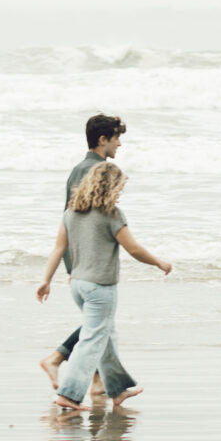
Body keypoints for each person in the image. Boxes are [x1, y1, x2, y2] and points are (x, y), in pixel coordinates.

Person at [36, 161, 172, 414]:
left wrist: (46, 280)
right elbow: (133, 248)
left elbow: (59, 248)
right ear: (109, 187)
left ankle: (118, 390)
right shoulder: (112, 214)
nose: (120, 193)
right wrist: (158, 262)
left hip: (77, 284)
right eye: (119, 188)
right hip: (100, 288)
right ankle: (69, 394)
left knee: (105, 336)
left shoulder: (71, 213)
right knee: (92, 341)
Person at [41, 115, 132, 399]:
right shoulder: (94, 170)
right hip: (86, 264)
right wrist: (75, 265)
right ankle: (59, 360)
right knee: (99, 323)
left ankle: (102, 383)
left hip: (83, 261)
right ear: (102, 139)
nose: (119, 143)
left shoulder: (81, 168)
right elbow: (74, 221)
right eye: (116, 137)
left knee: (102, 324)